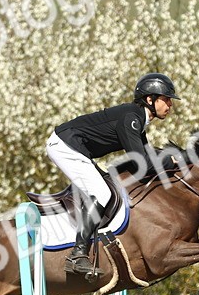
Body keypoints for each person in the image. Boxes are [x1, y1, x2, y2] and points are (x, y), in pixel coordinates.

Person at [46, 72, 179, 275]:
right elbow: (141, 163)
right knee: (102, 193)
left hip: (73, 147)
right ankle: (77, 254)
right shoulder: (131, 118)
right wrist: (170, 161)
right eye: (166, 99)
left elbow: (147, 157)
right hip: (65, 146)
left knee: (107, 188)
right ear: (149, 99)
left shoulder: (138, 119)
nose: (170, 105)